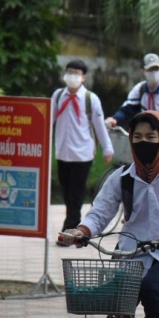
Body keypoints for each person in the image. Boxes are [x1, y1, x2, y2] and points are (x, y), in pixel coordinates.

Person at [58, 111, 159, 318]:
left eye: (151, 137)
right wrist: (82, 231)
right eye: (137, 137)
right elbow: (100, 211)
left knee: (153, 288)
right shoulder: (122, 177)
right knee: (116, 307)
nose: (144, 142)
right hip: (129, 252)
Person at [52, 60, 115, 240]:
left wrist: (107, 148)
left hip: (83, 154)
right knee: (66, 191)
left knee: (76, 193)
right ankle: (72, 221)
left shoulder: (90, 99)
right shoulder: (58, 96)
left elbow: (99, 126)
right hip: (63, 152)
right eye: (69, 72)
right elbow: (48, 121)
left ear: (84, 77)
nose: (72, 76)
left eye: (76, 73)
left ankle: (69, 228)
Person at [108, 53, 159, 166]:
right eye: (150, 70)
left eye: (156, 69)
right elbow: (127, 110)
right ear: (143, 72)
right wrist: (114, 120)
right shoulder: (139, 90)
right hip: (149, 133)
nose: (153, 73)